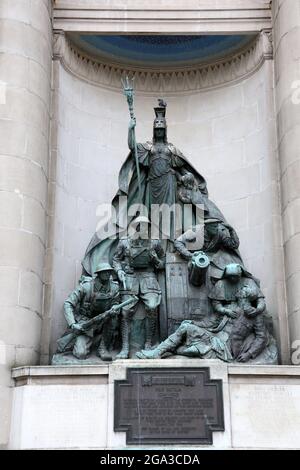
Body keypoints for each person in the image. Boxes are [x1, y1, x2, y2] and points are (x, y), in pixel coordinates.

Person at [112, 216, 165, 358]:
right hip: (130, 277)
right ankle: (124, 348)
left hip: (148, 277)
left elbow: (163, 264)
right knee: (125, 311)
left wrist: (155, 260)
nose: (143, 229)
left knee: (153, 307)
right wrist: (120, 271)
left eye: (146, 226)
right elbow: (116, 260)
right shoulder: (125, 242)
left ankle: (148, 343)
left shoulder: (155, 243)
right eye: (140, 226)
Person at [209, 263, 269, 362]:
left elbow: (260, 301)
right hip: (224, 316)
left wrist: (257, 310)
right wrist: (225, 310)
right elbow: (216, 303)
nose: (232, 279)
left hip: (236, 341)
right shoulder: (221, 284)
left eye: (235, 276)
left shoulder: (249, 283)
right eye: (230, 277)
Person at [60, 263, 120, 361]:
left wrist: (114, 308)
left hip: (104, 322)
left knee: (113, 318)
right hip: (86, 323)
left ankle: (103, 347)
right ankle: (89, 341)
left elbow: (116, 302)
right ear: (98, 274)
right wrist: (73, 323)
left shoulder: (114, 288)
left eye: (108, 272)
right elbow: (68, 304)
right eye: (104, 272)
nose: (107, 274)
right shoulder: (86, 287)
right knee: (80, 354)